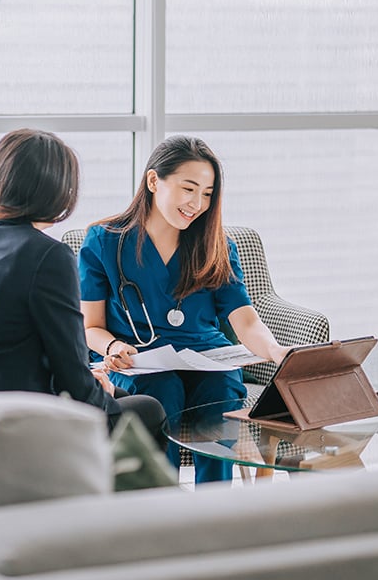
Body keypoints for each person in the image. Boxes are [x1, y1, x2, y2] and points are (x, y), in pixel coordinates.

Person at [0, 128, 167, 447]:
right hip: (17, 419)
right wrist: (99, 391)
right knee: (149, 410)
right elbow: (71, 371)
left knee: (120, 396)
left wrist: (98, 388)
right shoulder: (47, 256)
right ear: (58, 190)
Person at [78, 135, 291, 483]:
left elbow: (245, 318)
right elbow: (92, 327)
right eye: (188, 188)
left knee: (221, 392)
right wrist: (113, 347)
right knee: (163, 393)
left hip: (207, 357)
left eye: (207, 194)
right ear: (153, 181)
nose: (197, 203)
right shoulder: (104, 241)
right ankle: (160, 506)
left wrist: (274, 350)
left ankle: (213, 508)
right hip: (139, 361)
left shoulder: (217, 245)